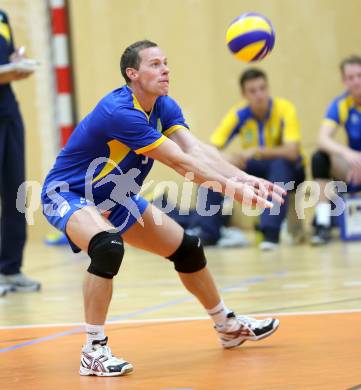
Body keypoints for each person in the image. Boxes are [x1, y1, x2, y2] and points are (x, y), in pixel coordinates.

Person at [41, 40, 284, 377]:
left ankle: (226, 326)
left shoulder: (163, 105)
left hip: (114, 196)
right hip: (67, 192)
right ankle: (93, 350)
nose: (165, 69)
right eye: (155, 64)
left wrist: (244, 177)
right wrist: (232, 189)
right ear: (133, 73)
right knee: (107, 247)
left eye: (166, 63)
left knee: (188, 249)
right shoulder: (120, 111)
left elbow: (195, 150)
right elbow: (179, 162)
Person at [210, 68, 305, 251]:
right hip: (257, 168)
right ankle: (208, 232)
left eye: (262, 88)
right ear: (244, 94)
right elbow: (210, 149)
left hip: (291, 169)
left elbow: (293, 151)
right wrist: (229, 159)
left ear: (268, 88)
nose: (259, 95)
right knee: (212, 167)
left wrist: (257, 150)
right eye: (253, 91)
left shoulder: (285, 109)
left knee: (280, 164)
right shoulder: (238, 114)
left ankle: (270, 232)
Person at [0, 9, 41, 294]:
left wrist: (18, 64)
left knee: (15, 190)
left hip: (7, 111)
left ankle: (10, 268)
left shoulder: (2, 16)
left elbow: (8, 60)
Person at [311, 55, 361, 245]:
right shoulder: (342, 104)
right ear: (344, 81)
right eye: (350, 77)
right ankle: (323, 224)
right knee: (319, 158)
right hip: (355, 168)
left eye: (359, 75)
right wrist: (346, 153)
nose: (356, 81)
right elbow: (322, 138)